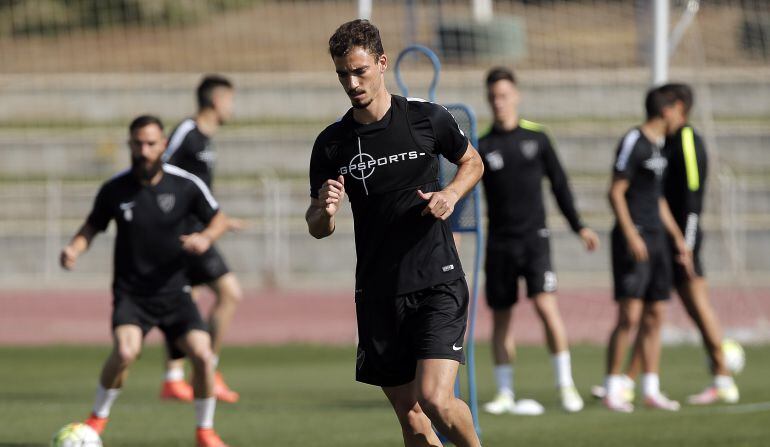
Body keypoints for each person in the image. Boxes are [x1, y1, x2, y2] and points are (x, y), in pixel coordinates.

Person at [306, 19, 483, 447]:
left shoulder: (426, 118)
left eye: (359, 71)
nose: (352, 83)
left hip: (437, 281)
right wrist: (326, 210)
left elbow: (472, 162)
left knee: (435, 399)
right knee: (412, 417)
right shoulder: (332, 144)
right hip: (379, 293)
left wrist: (451, 194)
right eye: (342, 74)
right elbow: (317, 227)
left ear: (382, 63)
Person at [60, 115, 229, 446]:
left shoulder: (185, 184)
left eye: (151, 144)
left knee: (203, 356)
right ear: (130, 144)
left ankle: (205, 432)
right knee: (125, 352)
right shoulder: (115, 189)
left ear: (163, 145)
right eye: (138, 144)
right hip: (132, 294)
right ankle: (96, 420)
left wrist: (206, 238)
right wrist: (74, 249)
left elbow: (219, 219)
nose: (144, 150)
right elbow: (91, 226)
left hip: (176, 292)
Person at [592, 83, 739, 405]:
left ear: (678, 109)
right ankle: (628, 382)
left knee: (693, 305)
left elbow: (692, 199)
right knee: (648, 312)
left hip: (680, 238)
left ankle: (722, 375)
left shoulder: (686, 140)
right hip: (657, 236)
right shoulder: (654, 142)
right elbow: (646, 192)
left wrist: (686, 241)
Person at [478, 67, 600, 415]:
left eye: (504, 95)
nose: (499, 102)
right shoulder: (483, 145)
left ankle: (566, 385)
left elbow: (560, 185)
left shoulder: (538, 138)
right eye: (493, 97)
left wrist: (579, 226)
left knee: (547, 309)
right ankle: (505, 392)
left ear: (516, 96)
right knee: (501, 318)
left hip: (535, 241)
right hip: (500, 243)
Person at [603, 85, 692, 413]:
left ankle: (651, 389)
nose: (682, 119)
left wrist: (678, 237)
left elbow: (657, 197)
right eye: (680, 112)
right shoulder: (634, 141)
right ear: (667, 111)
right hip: (634, 240)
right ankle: (613, 387)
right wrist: (631, 234)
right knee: (629, 315)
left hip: (657, 241)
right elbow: (615, 192)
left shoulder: (661, 146)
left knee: (656, 315)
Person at [160, 75, 243, 403]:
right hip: (187, 233)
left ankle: (175, 378)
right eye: (231, 100)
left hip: (200, 229)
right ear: (217, 100)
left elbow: (198, 191)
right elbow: (159, 170)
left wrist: (219, 220)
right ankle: (205, 372)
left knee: (186, 299)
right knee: (229, 293)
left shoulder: (206, 139)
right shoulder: (187, 132)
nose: (233, 107)